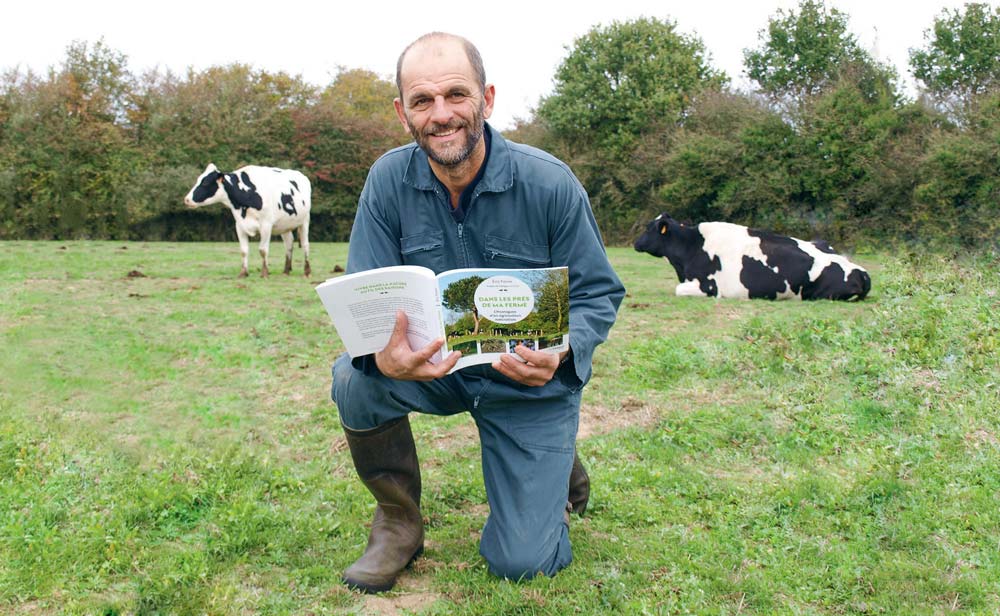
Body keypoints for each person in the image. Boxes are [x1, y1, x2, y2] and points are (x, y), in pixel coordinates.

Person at [330, 31, 625, 593]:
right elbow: (365, 296)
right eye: (422, 101)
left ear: (486, 100)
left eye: (456, 95)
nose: (441, 115)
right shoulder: (387, 182)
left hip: (526, 381)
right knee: (354, 377)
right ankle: (398, 523)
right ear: (402, 113)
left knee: (520, 563)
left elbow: (598, 294)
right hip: (436, 370)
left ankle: (554, 462)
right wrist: (383, 358)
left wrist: (561, 351)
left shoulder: (548, 183)